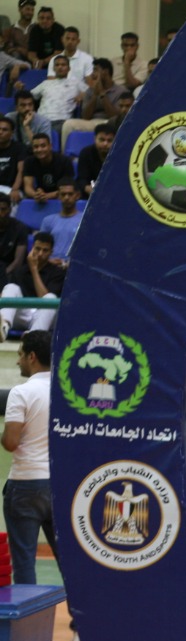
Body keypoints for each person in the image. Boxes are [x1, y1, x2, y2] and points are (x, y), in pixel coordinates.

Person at [3, 332, 56, 585]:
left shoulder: (21, 392)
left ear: (32, 357)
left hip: (25, 483)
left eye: (20, 355)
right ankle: (81, 612)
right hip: (59, 484)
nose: (18, 361)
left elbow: (11, 443)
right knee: (69, 562)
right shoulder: (68, 392)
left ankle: (30, 613)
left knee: (24, 564)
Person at [0, 230, 64, 333]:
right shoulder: (20, 271)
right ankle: (3, 327)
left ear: (51, 252)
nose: (40, 253)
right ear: (32, 248)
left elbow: (47, 303)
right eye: (37, 249)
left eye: (45, 250)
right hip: (23, 315)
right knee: (11, 287)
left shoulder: (57, 273)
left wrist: (34, 269)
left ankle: (33, 337)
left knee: (51, 297)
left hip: (45, 317)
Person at [39, 182, 82, 260]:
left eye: (70, 194)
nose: (66, 197)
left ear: (77, 195)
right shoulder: (47, 220)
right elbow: (40, 247)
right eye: (63, 194)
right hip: (51, 263)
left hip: (75, 264)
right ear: (58, 196)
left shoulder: (84, 220)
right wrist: (50, 261)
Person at [74, 123, 115, 196]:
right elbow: (82, 179)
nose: (105, 144)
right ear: (95, 138)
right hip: (90, 193)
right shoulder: (86, 153)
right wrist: (87, 188)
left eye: (109, 140)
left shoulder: (118, 154)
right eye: (102, 140)